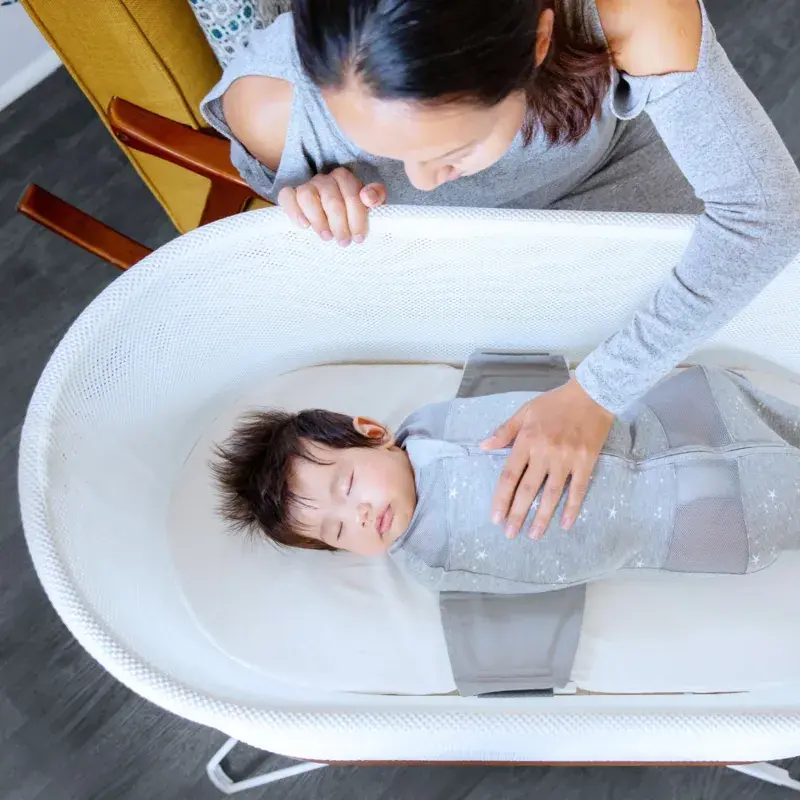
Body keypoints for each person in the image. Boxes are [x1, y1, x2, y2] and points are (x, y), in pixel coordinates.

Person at [201, 0, 800, 542]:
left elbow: (765, 215)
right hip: (462, 260)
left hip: (616, 184)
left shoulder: (626, 11)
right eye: (388, 151)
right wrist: (314, 190)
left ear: (540, 42)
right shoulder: (271, 107)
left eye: (452, 150)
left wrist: (597, 393)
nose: (422, 180)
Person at [212, 366, 800, 593]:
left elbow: (534, 406)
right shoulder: (430, 561)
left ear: (372, 432)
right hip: (680, 522)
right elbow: (544, 572)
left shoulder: (432, 423)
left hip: (665, 416)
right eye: (339, 532)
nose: (359, 517)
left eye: (347, 489)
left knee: (731, 393)